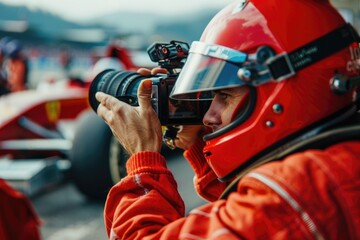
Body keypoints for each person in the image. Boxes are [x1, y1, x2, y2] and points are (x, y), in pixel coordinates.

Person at [95, 0, 360, 239]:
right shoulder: (332, 168)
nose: (209, 115)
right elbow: (240, 214)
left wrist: (143, 161)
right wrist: (196, 144)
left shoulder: (295, 193)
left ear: (281, 92)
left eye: (224, 95)